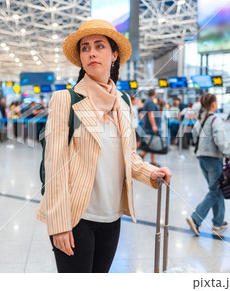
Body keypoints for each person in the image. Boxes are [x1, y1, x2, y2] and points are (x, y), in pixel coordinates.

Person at [35, 19, 172, 273]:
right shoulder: (66, 99)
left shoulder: (123, 102)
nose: (91, 52)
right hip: (76, 219)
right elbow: (53, 165)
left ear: (114, 55)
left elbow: (128, 155)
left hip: (112, 218)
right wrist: (59, 224)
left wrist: (150, 173)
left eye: (99, 46)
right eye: (85, 48)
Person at [186, 93, 230, 236]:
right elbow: (220, 141)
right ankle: (196, 218)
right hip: (213, 159)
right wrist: (229, 153)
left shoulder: (201, 120)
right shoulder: (215, 119)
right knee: (214, 191)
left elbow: (194, 135)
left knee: (217, 189)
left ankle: (218, 222)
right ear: (213, 104)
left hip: (202, 159)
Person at [140, 89, 162, 166]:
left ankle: (151, 160)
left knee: (152, 142)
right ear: (155, 94)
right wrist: (154, 125)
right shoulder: (150, 101)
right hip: (150, 127)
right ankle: (142, 156)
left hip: (149, 126)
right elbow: (150, 114)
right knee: (152, 142)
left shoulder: (148, 101)